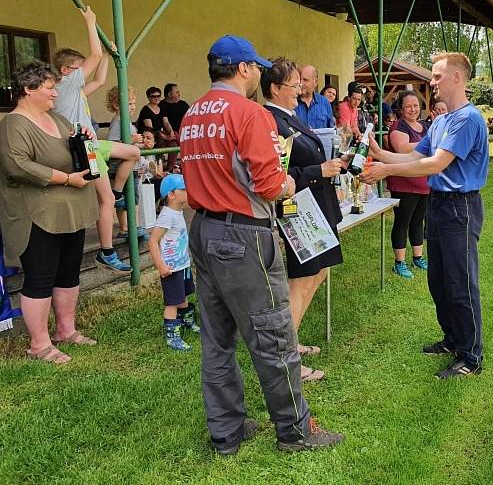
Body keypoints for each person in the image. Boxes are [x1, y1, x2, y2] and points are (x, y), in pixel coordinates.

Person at [180, 35, 342, 454]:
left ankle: (226, 433)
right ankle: (295, 431)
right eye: (256, 67)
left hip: (203, 229)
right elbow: (271, 185)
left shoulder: (193, 114)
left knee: (217, 341)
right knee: (273, 336)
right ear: (244, 69)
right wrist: (290, 180)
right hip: (244, 235)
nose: (258, 73)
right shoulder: (250, 114)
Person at [361, 51, 487, 380]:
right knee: (439, 280)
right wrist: (377, 152)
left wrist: (385, 168)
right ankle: (453, 339)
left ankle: (471, 356)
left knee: (460, 282)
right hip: (440, 203)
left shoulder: (467, 119)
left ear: (457, 78)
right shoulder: (442, 121)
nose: (431, 81)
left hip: (461, 207)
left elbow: (435, 164)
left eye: (437, 75)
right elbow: (414, 155)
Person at [0, 61, 99, 364]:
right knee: (41, 276)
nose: (56, 93)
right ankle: (38, 344)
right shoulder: (12, 124)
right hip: (35, 214)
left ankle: (65, 331)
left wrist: (82, 139)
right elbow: (18, 165)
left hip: (69, 209)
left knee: (68, 271)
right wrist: (67, 178)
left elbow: (73, 148)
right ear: (28, 90)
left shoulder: (56, 118)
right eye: (49, 87)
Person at [262, 59, 344, 383]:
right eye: (294, 85)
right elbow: (275, 176)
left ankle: (291, 340)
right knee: (302, 279)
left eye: (300, 84)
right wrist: (318, 171)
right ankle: (287, 357)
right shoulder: (271, 122)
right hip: (297, 208)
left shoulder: (291, 117)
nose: (299, 90)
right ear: (274, 88)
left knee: (318, 273)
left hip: (317, 204)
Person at [53, 6, 139, 273]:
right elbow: (94, 54)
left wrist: (107, 55)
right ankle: (106, 250)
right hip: (81, 145)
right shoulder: (63, 85)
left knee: (133, 152)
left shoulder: (75, 91)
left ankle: (116, 192)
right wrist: (91, 22)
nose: (83, 73)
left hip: (92, 143)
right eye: (79, 70)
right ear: (67, 70)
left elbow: (100, 79)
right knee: (106, 202)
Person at [148, 174, 199, 352]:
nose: (188, 192)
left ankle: (187, 322)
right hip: (170, 268)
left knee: (183, 295)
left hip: (181, 265)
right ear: (171, 194)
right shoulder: (167, 216)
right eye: (184, 190)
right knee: (172, 301)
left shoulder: (177, 212)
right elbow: (153, 241)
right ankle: (172, 336)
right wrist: (161, 266)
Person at [385, 90, 430, 279]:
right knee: (403, 222)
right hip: (404, 183)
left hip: (424, 182)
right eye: (408, 106)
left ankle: (418, 257)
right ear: (401, 110)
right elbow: (402, 149)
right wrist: (429, 143)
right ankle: (399, 262)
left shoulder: (425, 127)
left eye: (415, 105)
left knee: (418, 220)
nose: (413, 109)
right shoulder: (398, 127)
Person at [105, 86, 148, 242]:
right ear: (117, 105)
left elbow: (132, 145)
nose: (133, 107)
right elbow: (114, 144)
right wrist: (132, 140)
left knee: (134, 198)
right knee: (122, 199)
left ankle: (134, 225)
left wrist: (143, 145)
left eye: (134, 103)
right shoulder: (117, 122)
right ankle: (124, 227)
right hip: (120, 167)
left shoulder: (128, 123)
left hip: (133, 167)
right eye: (129, 104)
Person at [159, 83, 189, 172]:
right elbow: (165, 123)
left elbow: (191, 118)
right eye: (177, 92)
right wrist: (171, 133)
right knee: (174, 145)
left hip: (183, 134)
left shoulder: (183, 104)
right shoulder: (161, 105)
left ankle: (187, 169)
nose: (179, 94)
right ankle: (170, 170)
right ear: (169, 94)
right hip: (167, 135)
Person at [296, 65, 335, 129]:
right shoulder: (291, 102)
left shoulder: (324, 102)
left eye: (305, 80)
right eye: (299, 79)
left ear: (315, 82)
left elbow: (331, 130)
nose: (300, 83)